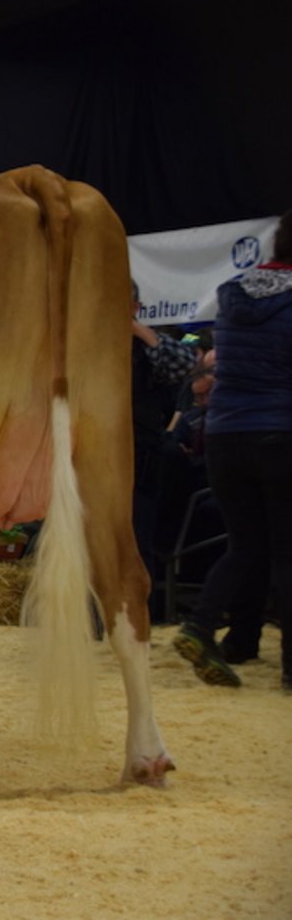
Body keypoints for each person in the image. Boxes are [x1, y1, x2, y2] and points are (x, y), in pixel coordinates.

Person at [173, 210, 292, 690]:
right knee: (287, 553)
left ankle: (203, 627)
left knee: (246, 546)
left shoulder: (234, 292)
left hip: (224, 435)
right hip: (280, 431)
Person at [129, 282, 199, 621]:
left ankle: (142, 618)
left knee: (138, 543)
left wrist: (142, 333)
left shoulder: (149, 345)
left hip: (139, 456)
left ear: (136, 306)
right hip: (87, 459)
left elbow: (187, 363)